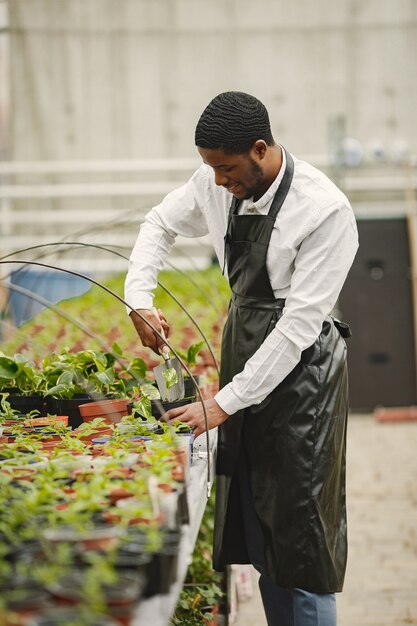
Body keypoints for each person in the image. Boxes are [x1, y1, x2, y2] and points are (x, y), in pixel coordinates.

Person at [125, 91, 359, 626]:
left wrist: (224, 403)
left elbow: (298, 325)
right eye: (209, 168)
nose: (215, 182)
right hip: (245, 356)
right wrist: (139, 298)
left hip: (303, 381)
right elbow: (158, 223)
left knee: (300, 538)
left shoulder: (324, 210)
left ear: (259, 150)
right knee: (259, 525)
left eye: (226, 169)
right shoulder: (217, 183)